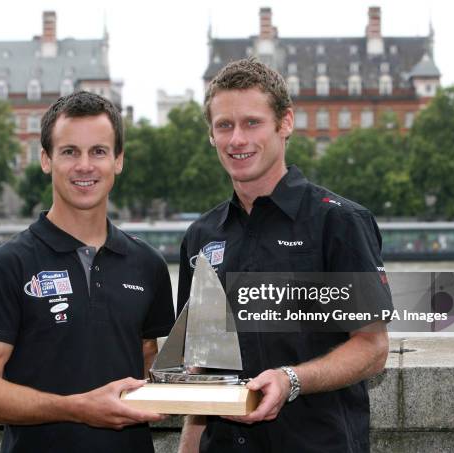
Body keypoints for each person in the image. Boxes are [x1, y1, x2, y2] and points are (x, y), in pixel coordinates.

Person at [177, 58, 393, 453]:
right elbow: (202, 370)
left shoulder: (339, 222)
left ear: (285, 122)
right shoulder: (200, 237)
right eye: (224, 125)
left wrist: (291, 379)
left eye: (252, 122)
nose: (236, 139)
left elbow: (373, 347)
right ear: (211, 134)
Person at [0, 91, 175, 453]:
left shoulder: (148, 264)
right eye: (70, 151)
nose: (85, 165)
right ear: (46, 159)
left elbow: (147, 361)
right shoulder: (5, 264)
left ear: (118, 160)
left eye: (99, 151)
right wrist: (77, 409)